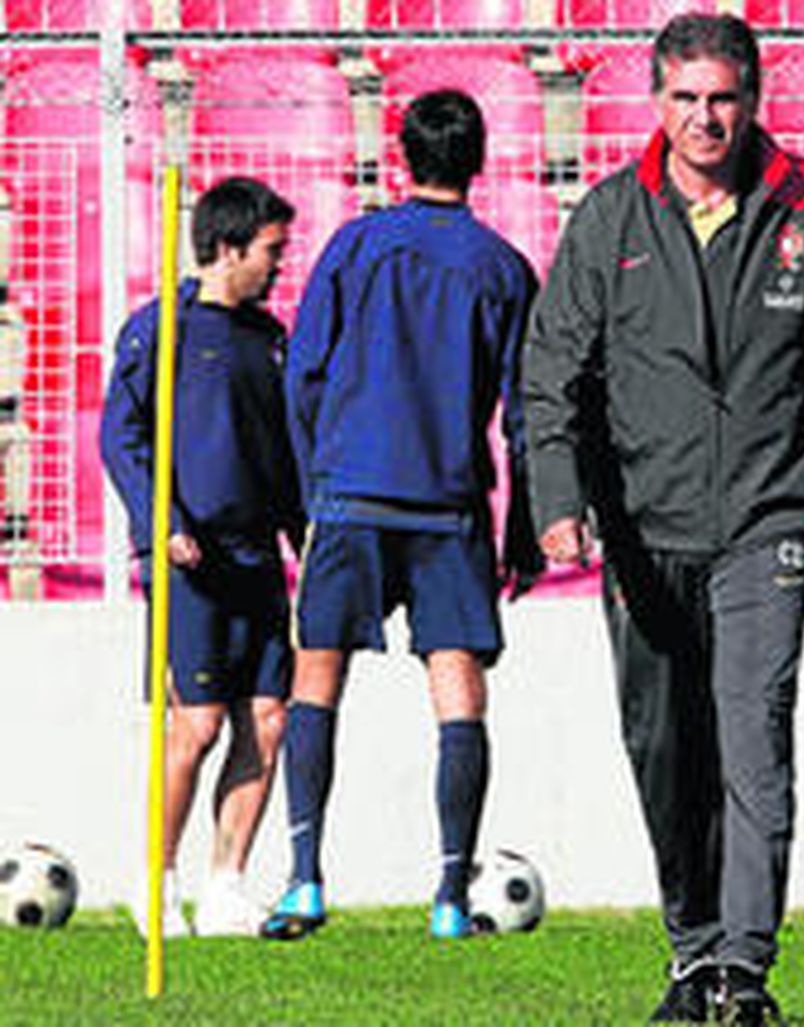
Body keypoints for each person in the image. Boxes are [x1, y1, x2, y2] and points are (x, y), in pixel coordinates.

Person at [523, 13, 804, 1023]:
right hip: (643, 530)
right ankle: (692, 951)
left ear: (753, 98)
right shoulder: (610, 217)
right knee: (665, 746)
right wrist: (557, 500)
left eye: (722, 98)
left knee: (754, 734)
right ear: (657, 102)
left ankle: (744, 968)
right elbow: (552, 375)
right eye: (685, 99)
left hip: (769, 520)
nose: (705, 118)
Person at [261, 89, 540, 941]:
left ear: (400, 158)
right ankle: (451, 897)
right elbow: (526, 412)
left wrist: (311, 489)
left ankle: (305, 880)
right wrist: (523, 525)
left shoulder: (355, 246)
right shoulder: (503, 268)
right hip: (449, 505)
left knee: (317, 676)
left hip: (350, 493)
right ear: (480, 161)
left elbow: (303, 374)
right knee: (458, 689)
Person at [101, 176, 301, 937]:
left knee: (269, 720)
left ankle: (226, 886)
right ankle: (155, 880)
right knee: (199, 724)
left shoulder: (268, 337)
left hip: (258, 558)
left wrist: (303, 536)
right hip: (191, 561)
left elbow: (281, 452)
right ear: (227, 247)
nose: (279, 264)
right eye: (270, 250)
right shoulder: (162, 328)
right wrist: (163, 523)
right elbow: (120, 437)